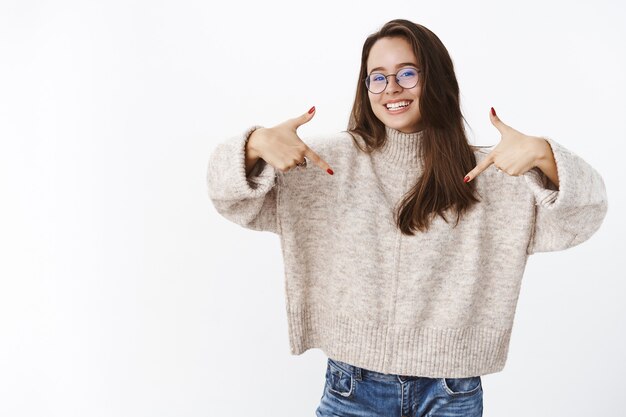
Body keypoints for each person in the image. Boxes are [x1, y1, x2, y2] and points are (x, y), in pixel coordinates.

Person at [206, 19, 607, 417]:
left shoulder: (491, 172)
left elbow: (583, 216)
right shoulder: (325, 162)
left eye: (407, 73)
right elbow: (230, 197)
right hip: (351, 384)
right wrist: (254, 143)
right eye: (376, 78)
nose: (391, 89)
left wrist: (544, 155)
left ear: (437, 79)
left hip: (451, 388)